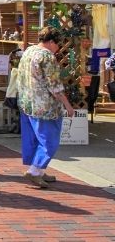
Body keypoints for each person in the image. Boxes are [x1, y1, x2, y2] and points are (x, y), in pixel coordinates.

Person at [17, 27, 75, 189]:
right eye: (57, 44)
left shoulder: (28, 51)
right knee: (49, 141)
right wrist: (68, 105)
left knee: (35, 139)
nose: (58, 48)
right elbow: (54, 85)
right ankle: (35, 171)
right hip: (45, 107)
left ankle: (40, 170)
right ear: (50, 42)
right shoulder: (47, 57)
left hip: (27, 103)